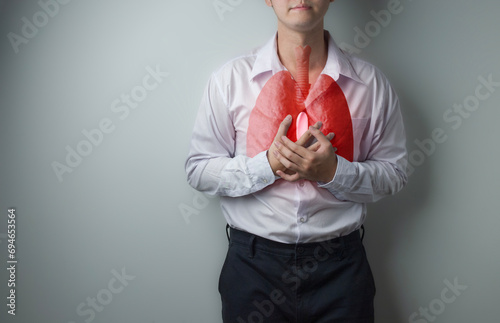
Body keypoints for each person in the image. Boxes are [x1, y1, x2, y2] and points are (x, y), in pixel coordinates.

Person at [185, 0, 408, 322]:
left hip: (341, 270)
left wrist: (334, 172)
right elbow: (199, 170)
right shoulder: (230, 79)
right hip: (253, 268)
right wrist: (266, 166)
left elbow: (395, 172)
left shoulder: (371, 84)